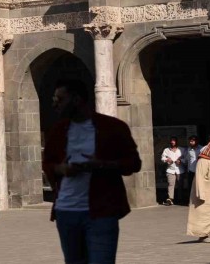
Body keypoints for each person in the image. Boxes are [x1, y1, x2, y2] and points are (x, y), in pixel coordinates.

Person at [42, 79, 142, 264]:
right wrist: (61, 169)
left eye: (60, 99)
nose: (55, 104)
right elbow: (47, 164)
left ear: (76, 99)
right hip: (66, 211)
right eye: (54, 99)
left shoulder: (113, 127)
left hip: (102, 211)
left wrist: (102, 165)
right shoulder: (57, 131)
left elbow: (133, 164)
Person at [161, 136, 185, 206]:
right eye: (171, 141)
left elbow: (186, 158)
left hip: (180, 170)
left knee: (180, 185)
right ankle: (170, 199)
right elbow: (162, 158)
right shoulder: (166, 150)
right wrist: (167, 159)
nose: (172, 142)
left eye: (174, 140)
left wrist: (181, 160)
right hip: (170, 170)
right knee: (171, 184)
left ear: (176, 142)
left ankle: (180, 199)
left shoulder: (181, 149)